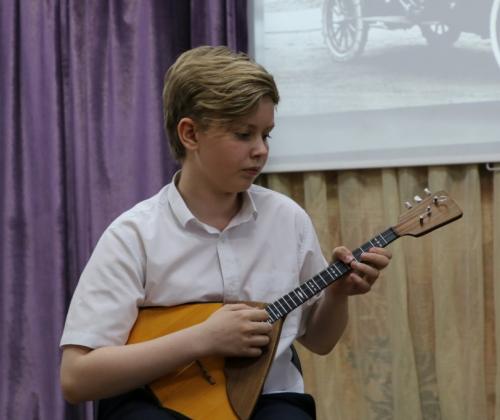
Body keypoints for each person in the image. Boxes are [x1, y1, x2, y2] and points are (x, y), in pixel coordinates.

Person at [60, 45, 392, 420]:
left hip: (266, 399)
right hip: (154, 401)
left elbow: (320, 340)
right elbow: (76, 378)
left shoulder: (288, 220)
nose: (260, 150)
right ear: (190, 134)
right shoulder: (133, 235)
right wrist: (202, 339)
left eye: (266, 135)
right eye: (243, 134)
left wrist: (337, 294)